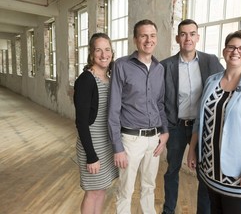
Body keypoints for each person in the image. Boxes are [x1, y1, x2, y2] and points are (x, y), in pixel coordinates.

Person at [187, 30, 241, 214]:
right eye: (231, 47)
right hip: (209, 169)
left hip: (238, 172)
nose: (236, 51)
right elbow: (199, 120)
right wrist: (192, 150)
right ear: (224, 50)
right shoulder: (212, 81)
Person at [161, 19, 224, 214]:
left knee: (203, 174)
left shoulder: (210, 61)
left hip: (202, 127)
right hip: (176, 126)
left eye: (192, 34)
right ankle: (168, 210)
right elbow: (159, 99)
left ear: (197, 37)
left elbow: (224, 88)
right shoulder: (166, 65)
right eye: (183, 34)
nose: (188, 38)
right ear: (177, 38)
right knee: (172, 171)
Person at [108, 19, 169, 214]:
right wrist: (117, 147)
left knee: (149, 187)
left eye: (152, 36)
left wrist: (165, 132)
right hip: (131, 140)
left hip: (154, 140)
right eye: (143, 35)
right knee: (126, 190)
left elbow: (160, 104)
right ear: (136, 40)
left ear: (156, 39)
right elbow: (113, 108)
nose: (148, 40)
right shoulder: (121, 65)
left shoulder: (160, 69)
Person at [73, 33, 118, 214]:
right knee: (92, 192)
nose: (103, 54)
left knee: (101, 190)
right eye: (98, 50)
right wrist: (91, 156)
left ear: (112, 53)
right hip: (92, 145)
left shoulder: (109, 78)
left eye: (107, 49)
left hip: (106, 145)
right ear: (91, 54)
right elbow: (81, 123)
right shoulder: (86, 80)